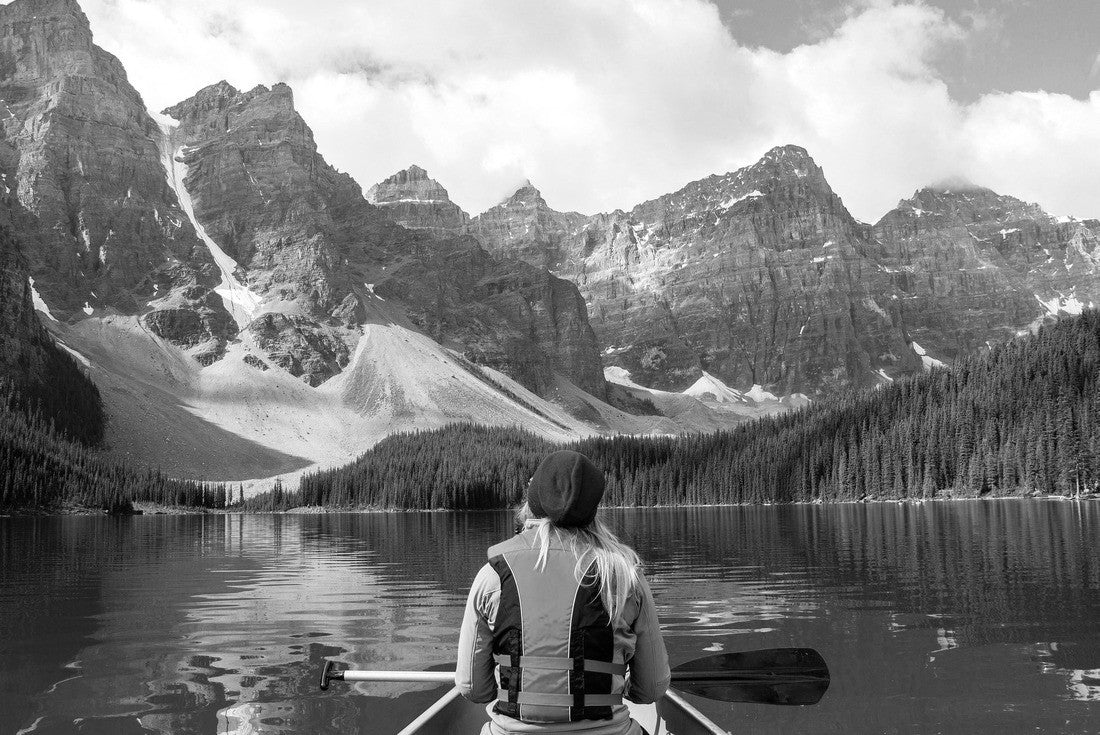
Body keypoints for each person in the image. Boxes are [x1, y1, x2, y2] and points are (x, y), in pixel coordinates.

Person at [456, 450, 670, 734]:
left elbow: (473, 688)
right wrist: (618, 688)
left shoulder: (493, 575)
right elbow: (651, 689)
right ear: (593, 510)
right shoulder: (624, 575)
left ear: (532, 504)